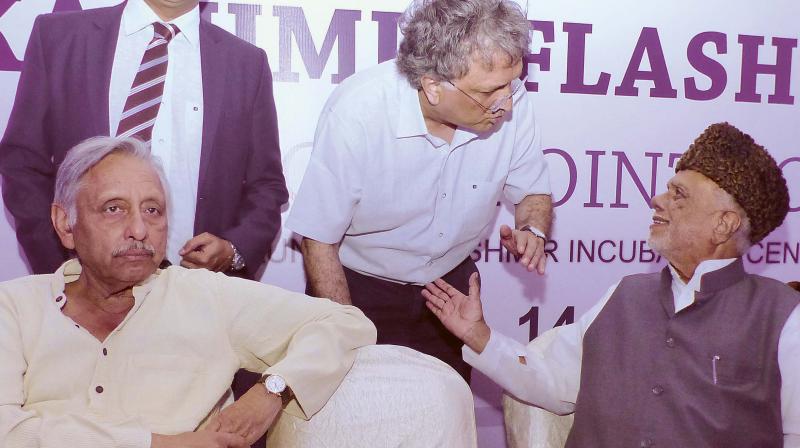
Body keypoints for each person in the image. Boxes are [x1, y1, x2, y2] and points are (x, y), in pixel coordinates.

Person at [423, 123, 800, 446]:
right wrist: (478, 335)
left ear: (724, 225)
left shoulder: (783, 318)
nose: (658, 200)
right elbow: (553, 380)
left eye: (679, 195)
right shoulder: (625, 294)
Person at [0, 136, 376, 448]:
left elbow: (344, 322)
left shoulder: (206, 297)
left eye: (153, 211)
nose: (139, 229)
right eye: (114, 209)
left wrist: (272, 391)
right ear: (66, 224)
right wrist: (164, 444)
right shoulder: (15, 308)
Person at [287, 0, 552, 380]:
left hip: (452, 293)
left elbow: (533, 191)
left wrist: (532, 230)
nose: (506, 103)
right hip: (359, 289)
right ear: (432, 87)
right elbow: (318, 239)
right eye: (490, 92)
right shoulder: (359, 111)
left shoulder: (509, 98)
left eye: (512, 84)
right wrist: (347, 335)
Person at [0, 0, 287, 279]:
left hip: (195, 291)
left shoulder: (246, 63)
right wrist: (59, 266)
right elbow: (22, 162)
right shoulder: (60, 37)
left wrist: (233, 250)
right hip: (81, 287)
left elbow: (267, 185)